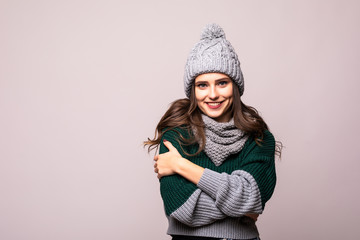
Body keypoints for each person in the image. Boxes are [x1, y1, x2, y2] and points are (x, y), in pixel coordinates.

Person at [144, 23, 281, 240]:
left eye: (222, 83)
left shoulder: (259, 139)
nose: (213, 94)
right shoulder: (176, 136)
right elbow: (181, 209)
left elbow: (251, 198)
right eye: (202, 85)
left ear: (235, 86)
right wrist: (241, 208)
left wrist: (181, 165)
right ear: (193, 90)